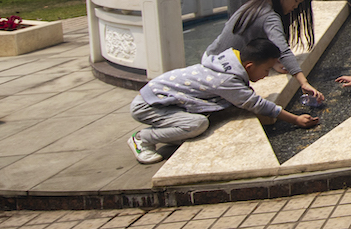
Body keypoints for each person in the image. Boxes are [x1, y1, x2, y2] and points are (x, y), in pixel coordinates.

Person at [127, 37, 319, 164]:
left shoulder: (230, 63)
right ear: (249, 65)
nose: (266, 74)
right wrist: (295, 119)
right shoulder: (226, 79)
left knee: (198, 123)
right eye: (266, 69)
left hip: (162, 100)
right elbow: (256, 104)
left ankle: (170, 134)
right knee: (198, 124)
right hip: (149, 105)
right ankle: (142, 139)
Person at [204, 0, 324, 104]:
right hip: (221, 70)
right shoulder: (269, 17)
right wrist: (303, 82)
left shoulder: (254, 4)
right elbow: (283, 49)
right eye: (296, 1)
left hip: (210, 57)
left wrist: (274, 63)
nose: (296, 7)